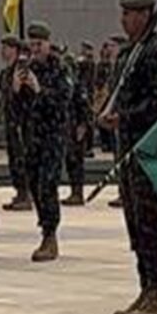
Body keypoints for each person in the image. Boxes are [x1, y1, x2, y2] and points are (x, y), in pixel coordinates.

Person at [98, 0, 157, 314]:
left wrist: (124, 117)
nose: (124, 19)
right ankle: (144, 287)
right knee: (134, 223)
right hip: (127, 149)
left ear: (145, 14)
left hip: (147, 148)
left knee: (148, 222)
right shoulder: (129, 53)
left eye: (129, 13)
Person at [15, 21, 71, 261]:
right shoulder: (25, 68)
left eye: (40, 44)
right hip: (32, 137)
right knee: (36, 184)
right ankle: (45, 228)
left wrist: (39, 90)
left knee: (48, 184)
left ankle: (50, 235)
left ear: (48, 43)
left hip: (53, 136)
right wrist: (16, 91)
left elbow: (62, 102)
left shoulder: (60, 69)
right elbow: (15, 111)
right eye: (32, 44)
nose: (35, 49)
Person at [0, 35, 32, 211]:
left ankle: (26, 195)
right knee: (13, 157)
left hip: (21, 121)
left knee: (21, 158)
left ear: (15, 50)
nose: (3, 50)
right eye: (3, 46)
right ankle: (19, 192)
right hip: (10, 120)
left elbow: (26, 96)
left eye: (7, 47)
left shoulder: (20, 70)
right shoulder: (6, 73)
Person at [61, 44, 92, 207]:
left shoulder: (78, 85)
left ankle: (78, 193)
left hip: (76, 127)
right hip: (68, 126)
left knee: (76, 161)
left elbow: (84, 106)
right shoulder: (67, 84)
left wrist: (83, 125)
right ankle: (74, 191)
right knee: (70, 160)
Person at [93, 39, 118, 154]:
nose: (109, 49)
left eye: (112, 46)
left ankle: (110, 145)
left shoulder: (116, 64)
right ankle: (106, 144)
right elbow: (98, 82)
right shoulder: (101, 66)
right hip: (104, 96)